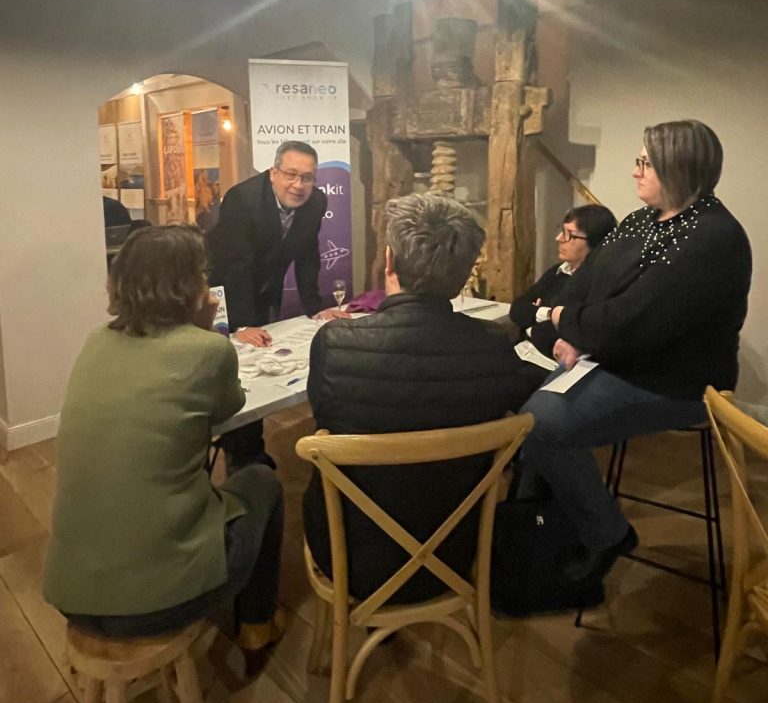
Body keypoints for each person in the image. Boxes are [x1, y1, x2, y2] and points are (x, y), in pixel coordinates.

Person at [521, 120, 752, 583]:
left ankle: (605, 533)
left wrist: (566, 322)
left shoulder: (712, 237)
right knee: (527, 406)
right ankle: (539, 523)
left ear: (678, 167)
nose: (635, 171)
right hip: (617, 358)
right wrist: (574, 329)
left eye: (646, 162)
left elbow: (628, 322)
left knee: (538, 424)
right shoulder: (641, 220)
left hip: (675, 380)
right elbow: (586, 286)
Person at [44, 225, 284, 659]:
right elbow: (230, 406)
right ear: (188, 286)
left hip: (70, 592)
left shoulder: (96, 341)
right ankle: (256, 625)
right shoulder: (207, 349)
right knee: (261, 478)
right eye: (201, 275)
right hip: (157, 602)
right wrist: (206, 331)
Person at [302, 192, 533, 603]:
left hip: (350, 557)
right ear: (464, 274)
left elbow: (325, 416)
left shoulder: (335, 342)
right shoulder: (493, 345)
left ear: (388, 260)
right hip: (455, 552)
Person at [206, 140, 347, 468]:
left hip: (267, 284)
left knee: (263, 358)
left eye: (307, 177)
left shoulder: (316, 202)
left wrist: (315, 306)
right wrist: (241, 324)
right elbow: (236, 266)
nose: (298, 185)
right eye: (290, 175)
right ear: (273, 172)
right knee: (238, 362)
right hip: (227, 287)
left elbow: (308, 255)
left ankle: (250, 446)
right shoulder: (242, 199)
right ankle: (243, 454)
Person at [509, 204, 616, 374]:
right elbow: (517, 308)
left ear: (595, 242)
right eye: (562, 231)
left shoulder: (600, 283)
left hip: (549, 366)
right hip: (521, 352)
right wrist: (550, 314)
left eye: (569, 235)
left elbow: (557, 335)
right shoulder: (558, 271)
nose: (558, 238)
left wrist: (533, 321)